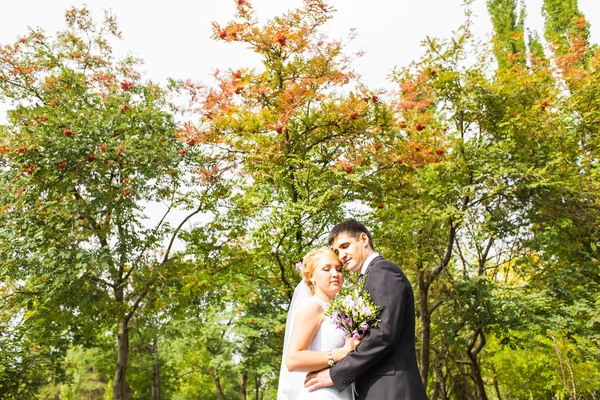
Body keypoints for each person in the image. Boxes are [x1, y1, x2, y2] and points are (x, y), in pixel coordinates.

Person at [304, 220, 428, 399]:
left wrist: (335, 374)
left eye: (345, 246)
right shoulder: (368, 278)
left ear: (363, 239)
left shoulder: (382, 271)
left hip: (391, 389)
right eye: (337, 251)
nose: (342, 255)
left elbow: (383, 334)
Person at [278, 248, 360, 399]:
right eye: (326, 269)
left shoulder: (344, 312)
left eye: (339, 269)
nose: (335, 274)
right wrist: (340, 353)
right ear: (311, 277)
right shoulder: (313, 307)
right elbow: (293, 360)